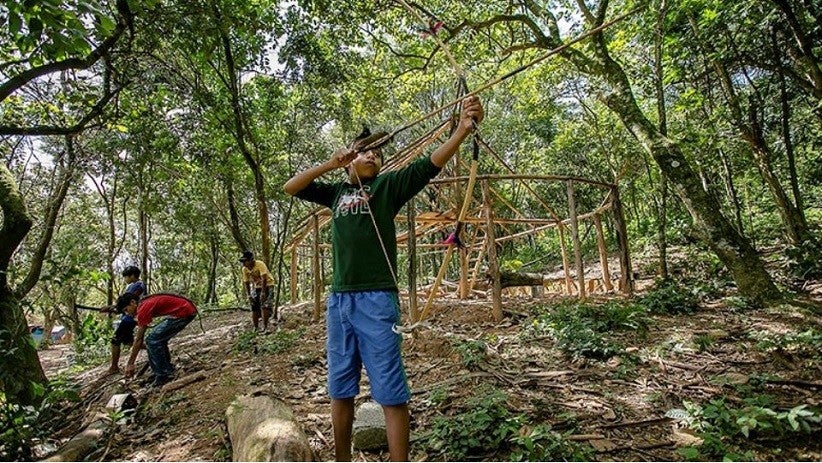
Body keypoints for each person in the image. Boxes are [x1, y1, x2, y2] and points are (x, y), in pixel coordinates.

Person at [283, 95, 484, 462]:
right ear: (349, 159)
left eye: (377, 153)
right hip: (340, 301)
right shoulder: (336, 193)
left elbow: (429, 165)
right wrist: (332, 163)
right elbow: (291, 187)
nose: (373, 155)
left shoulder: (388, 188)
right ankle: (342, 458)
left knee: (390, 390)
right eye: (365, 151)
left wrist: (462, 129)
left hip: (376, 299)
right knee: (340, 388)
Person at [120, 292, 198, 388]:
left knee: (152, 340)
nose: (128, 313)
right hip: (184, 310)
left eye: (126, 310)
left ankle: (163, 374)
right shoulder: (143, 304)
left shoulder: (142, 308)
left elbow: (139, 339)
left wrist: (130, 363)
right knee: (156, 339)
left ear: (132, 302)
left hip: (184, 312)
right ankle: (163, 371)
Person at [104, 266, 148, 375]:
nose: (125, 279)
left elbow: (128, 302)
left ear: (132, 275)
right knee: (128, 342)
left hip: (129, 319)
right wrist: (111, 308)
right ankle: (152, 346)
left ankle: (114, 367)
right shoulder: (133, 286)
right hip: (127, 317)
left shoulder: (138, 286)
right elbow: (122, 304)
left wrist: (113, 308)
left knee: (115, 340)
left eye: (126, 277)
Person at [239, 250, 273, 332]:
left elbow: (264, 278)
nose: (244, 264)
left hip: (268, 284)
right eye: (243, 262)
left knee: (264, 305)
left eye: (245, 261)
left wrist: (263, 292)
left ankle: (265, 327)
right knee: (254, 306)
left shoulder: (260, 264)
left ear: (251, 260)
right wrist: (249, 295)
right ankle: (256, 327)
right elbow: (246, 282)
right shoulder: (245, 269)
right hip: (257, 286)